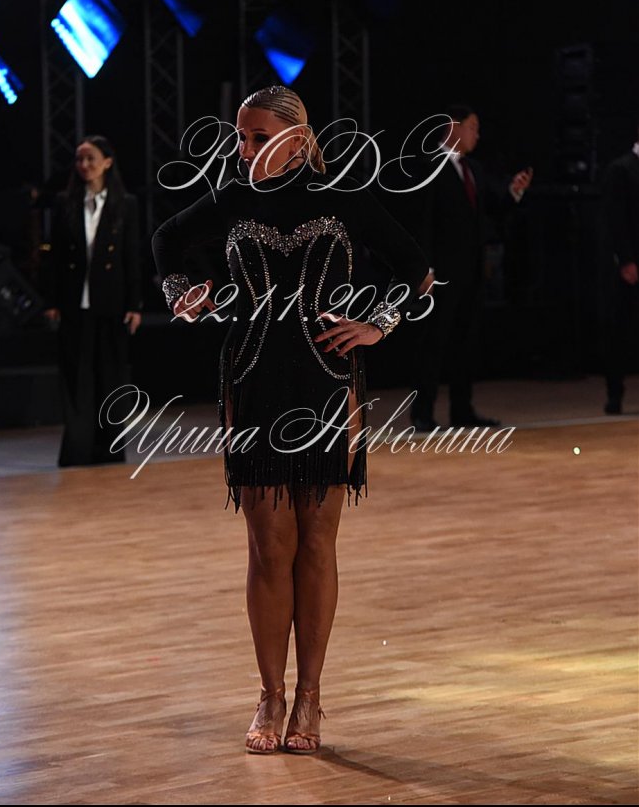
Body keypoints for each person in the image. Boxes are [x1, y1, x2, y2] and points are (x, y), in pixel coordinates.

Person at [151, 85, 430, 754]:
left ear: (297, 141)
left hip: (329, 386)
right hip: (251, 384)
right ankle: (270, 694)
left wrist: (378, 323)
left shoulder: (344, 198)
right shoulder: (232, 198)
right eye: (239, 136)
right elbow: (166, 239)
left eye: (256, 137)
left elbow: (417, 271)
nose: (242, 149)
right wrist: (179, 291)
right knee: (267, 546)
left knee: (317, 542)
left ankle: (310, 694)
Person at [405, 104, 533, 431]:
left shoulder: (473, 168)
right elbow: (422, 221)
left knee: (465, 342)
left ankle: (462, 409)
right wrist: (424, 268)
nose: (477, 134)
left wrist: (514, 191)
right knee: (433, 342)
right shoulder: (429, 166)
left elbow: (492, 207)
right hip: (440, 272)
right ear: (453, 126)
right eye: (473, 127)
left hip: (470, 271)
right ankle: (422, 411)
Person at [41, 135, 142, 465]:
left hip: (111, 302)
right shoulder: (65, 203)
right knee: (76, 375)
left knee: (110, 375)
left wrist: (134, 304)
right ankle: (77, 448)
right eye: (80, 159)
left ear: (107, 162)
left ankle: (108, 449)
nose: (84, 165)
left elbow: (132, 256)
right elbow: (55, 257)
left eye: (90, 159)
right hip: (74, 302)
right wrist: (51, 300)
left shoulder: (125, 204)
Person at [599, 131, 639, 414]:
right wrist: (626, 260)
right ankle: (614, 393)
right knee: (621, 330)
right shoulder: (621, 169)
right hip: (631, 262)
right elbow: (615, 217)